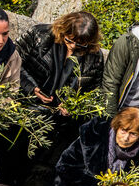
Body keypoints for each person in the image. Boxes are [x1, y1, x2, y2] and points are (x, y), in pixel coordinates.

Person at [14, 10, 104, 153]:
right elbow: (11, 61)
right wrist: (31, 87)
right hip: (21, 108)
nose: (73, 46)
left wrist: (73, 107)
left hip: (56, 124)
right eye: (69, 40)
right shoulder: (39, 35)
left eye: (81, 45)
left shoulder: (95, 57)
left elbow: (94, 93)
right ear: (63, 29)